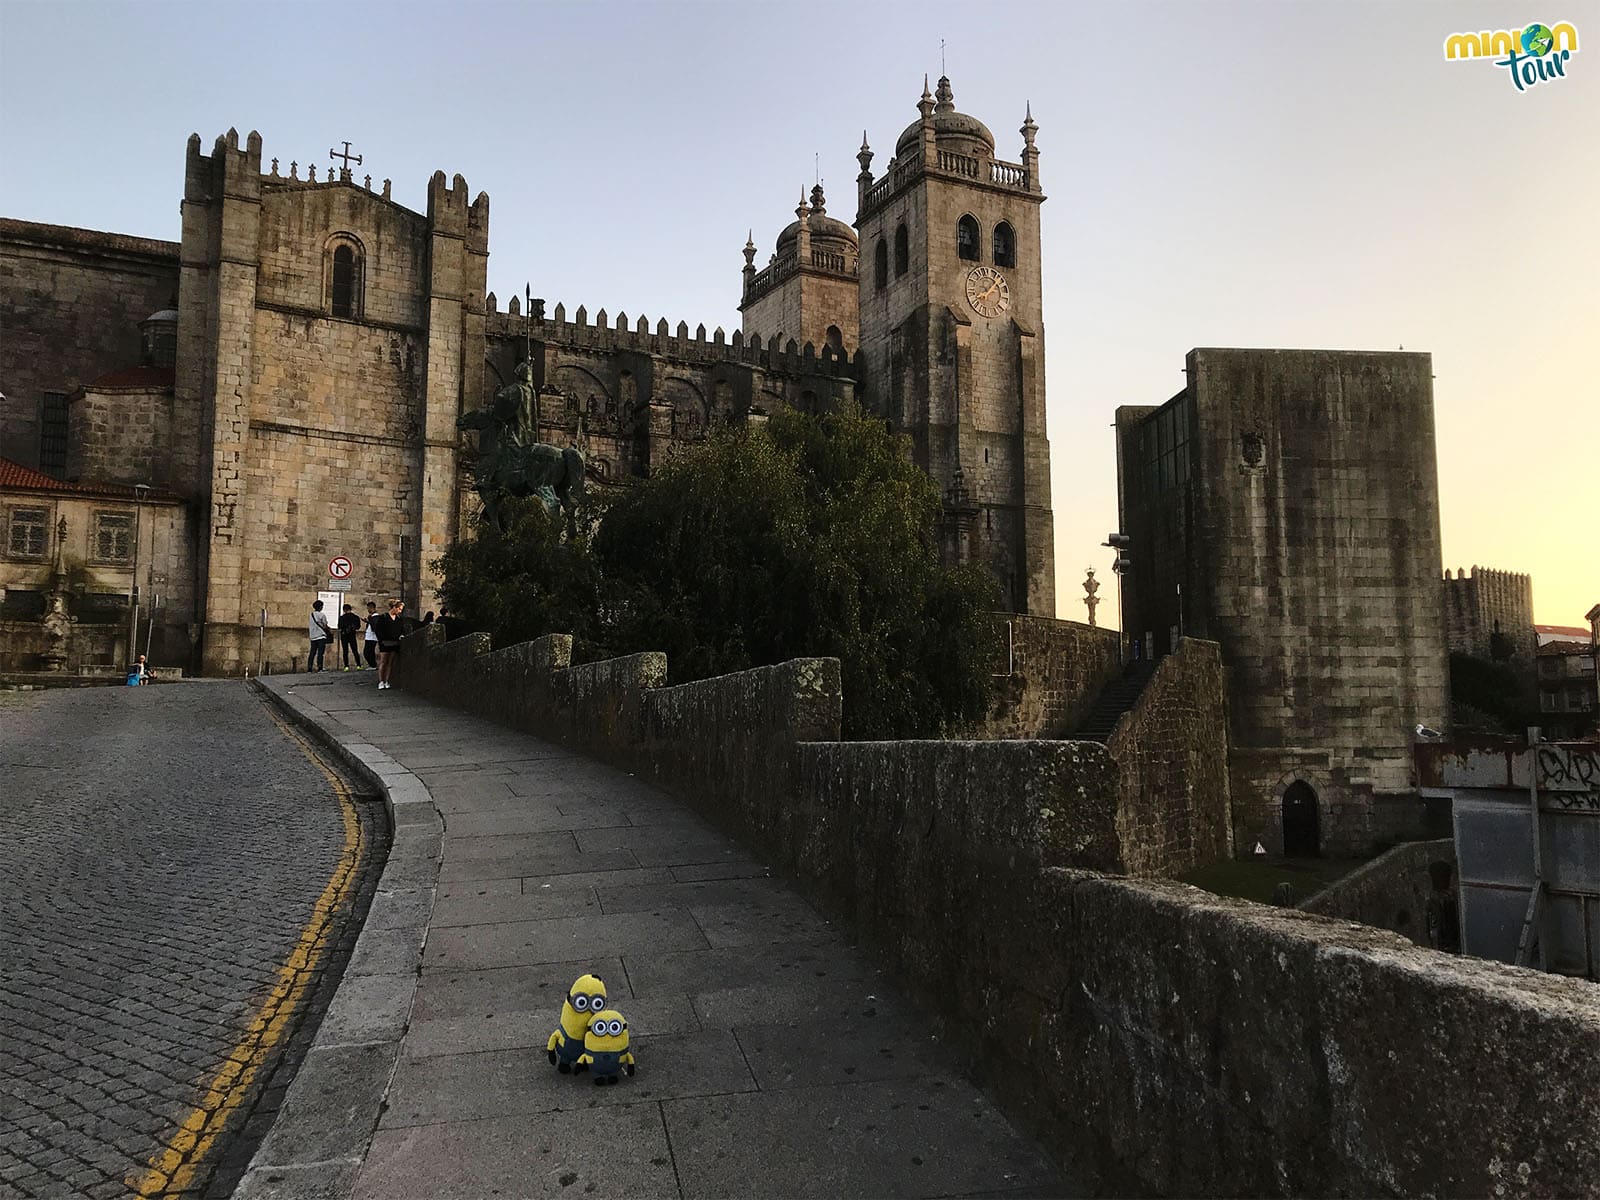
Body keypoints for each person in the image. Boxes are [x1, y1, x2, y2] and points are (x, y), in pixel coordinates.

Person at [370, 598, 405, 690]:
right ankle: (381, 681)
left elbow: (402, 630)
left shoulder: (399, 619)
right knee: (383, 661)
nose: (400, 611)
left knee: (390, 663)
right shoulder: (384, 617)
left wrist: (401, 635)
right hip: (385, 643)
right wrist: (381, 640)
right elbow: (378, 630)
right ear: (394, 607)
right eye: (399, 609)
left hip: (394, 642)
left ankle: (386, 681)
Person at [307, 600, 333, 671]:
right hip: (321, 636)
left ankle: (309, 668)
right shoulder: (322, 615)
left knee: (312, 653)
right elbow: (324, 625)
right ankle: (320, 668)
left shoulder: (311, 615)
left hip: (313, 636)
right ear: (321, 607)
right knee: (320, 653)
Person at [337, 603, 363, 670]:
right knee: (355, 650)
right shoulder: (355, 617)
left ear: (344, 610)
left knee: (345, 651)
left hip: (344, 635)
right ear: (350, 609)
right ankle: (358, 665)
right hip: (352, 635)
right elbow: (358, 627)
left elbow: (339, 626)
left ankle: (346, 666)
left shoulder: (342, 618)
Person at [362, 600, 379, 669]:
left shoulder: (375, 617)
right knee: (368, 652)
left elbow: (374, 627)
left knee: (368, 652)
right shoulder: (371, 617)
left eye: (369, 608)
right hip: (369, 637)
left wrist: (369, 620)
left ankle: (373, 665)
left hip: (372, 637)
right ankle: (372, 665)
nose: (368, 610)